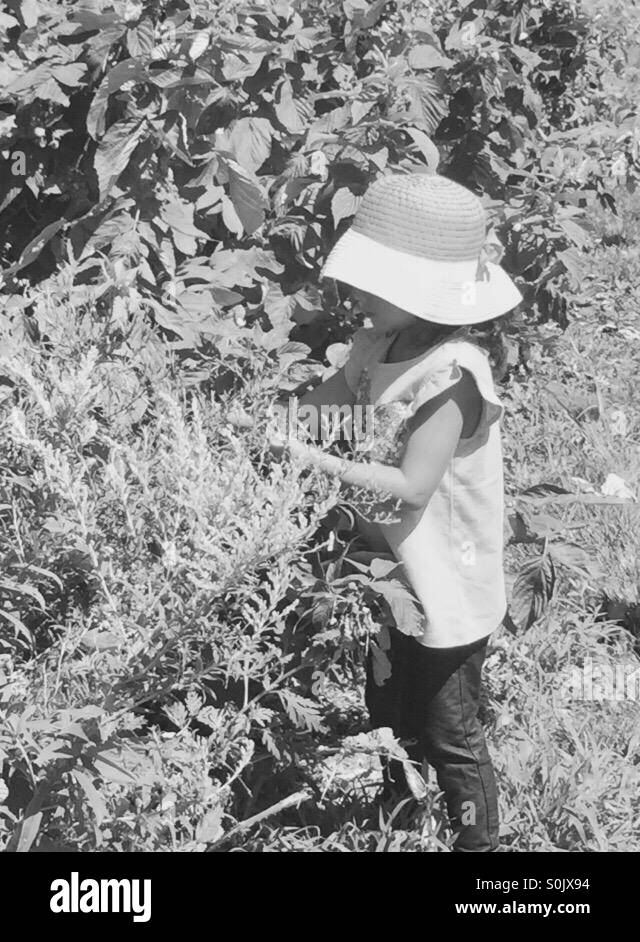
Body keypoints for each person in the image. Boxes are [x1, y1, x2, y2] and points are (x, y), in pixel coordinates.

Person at [231, 171, 522, 851]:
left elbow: (412, 487)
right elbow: (325, 401)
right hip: (389, 574)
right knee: (390, 706)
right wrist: (269, 430)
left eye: (369, 283)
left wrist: (311, 462)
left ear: (419, 295)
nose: (353, 292)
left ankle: (480, 849)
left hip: (446, 583)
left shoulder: (452, 377)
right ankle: (405, 813)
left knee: (451, 727)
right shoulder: (376, 348)